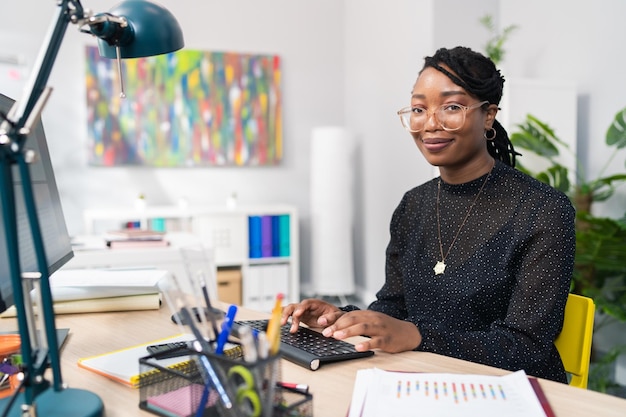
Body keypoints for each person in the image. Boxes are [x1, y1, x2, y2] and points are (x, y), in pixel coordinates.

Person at [282, 46, 576, 383]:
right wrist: (343, 318)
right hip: (426, 380)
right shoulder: (412, 205)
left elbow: (527, 347)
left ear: (489, 115)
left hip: (511, 392)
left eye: (451, 107)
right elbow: (393, 307)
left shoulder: (542, 210)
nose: (430, 123)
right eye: (419, 109)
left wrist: (418, 336)